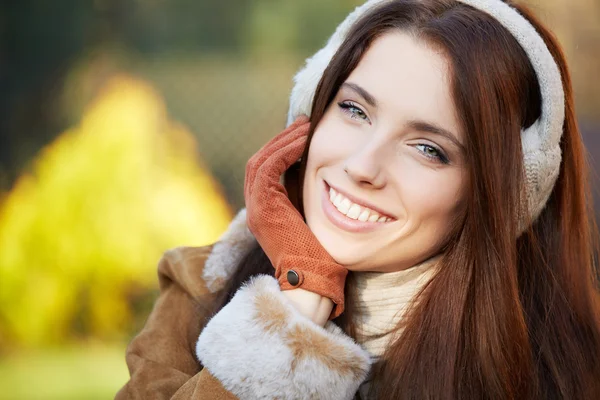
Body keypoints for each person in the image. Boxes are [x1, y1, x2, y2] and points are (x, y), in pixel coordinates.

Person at [116, 0, 600, 399]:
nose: (363, 166)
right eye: (353, 109)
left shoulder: (557, 366)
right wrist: (297, 303)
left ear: (503, 196)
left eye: (428, 149)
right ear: (312, 107)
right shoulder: (200, 287)